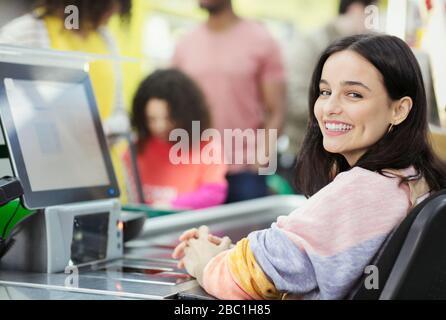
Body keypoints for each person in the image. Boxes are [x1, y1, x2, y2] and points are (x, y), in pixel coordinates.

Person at [171, 34, 446, 299]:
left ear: (399, 109)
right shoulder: (412, 178)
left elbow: (243, 278)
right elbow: (296, 264)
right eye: (325, 91)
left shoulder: (364, 190)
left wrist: (204, 261)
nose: (329, 108)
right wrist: (236, 256)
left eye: (353, 95)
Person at [0, 0, 134, 202]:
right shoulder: (23, 34)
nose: (115, 11)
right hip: (49, 182)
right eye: (113, 3)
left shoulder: (106, 39)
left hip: (103, 179)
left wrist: (103, 130)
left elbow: (120, 111)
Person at [172, 0, 286, 203]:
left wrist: (260, 159)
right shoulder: (185, 44)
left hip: (244, 171)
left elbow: (276, 110)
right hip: (196, 171)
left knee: (246, 235)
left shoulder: (261, 40)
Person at [282, 0, 378, 180]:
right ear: (358, 9)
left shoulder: (369, 48)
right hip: (309, 154)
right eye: (325, 92)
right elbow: (294, 100)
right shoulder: (310, 44)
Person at [126, 69, 228, 210]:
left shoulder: (207, 147)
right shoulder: (137, 148)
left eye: (168, 119)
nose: (159, 127)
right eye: (151, 119)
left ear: (185, 115)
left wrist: (168, 206)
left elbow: (213, 194)